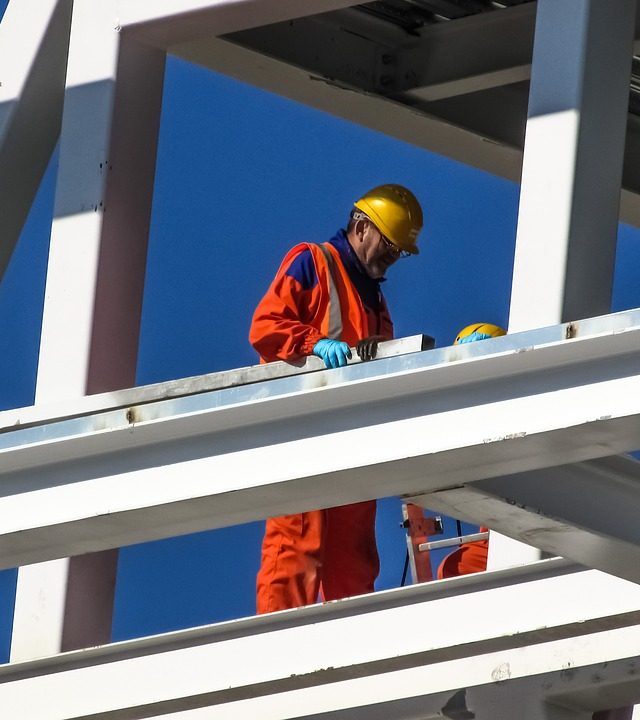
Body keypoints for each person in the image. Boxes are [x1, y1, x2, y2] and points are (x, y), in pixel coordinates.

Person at [249, 184, 424, 613]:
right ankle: (276, 647)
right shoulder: (313, 261)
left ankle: (350, 651)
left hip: (349, 440)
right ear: (362, 227)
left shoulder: (376, 300)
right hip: (301, 431)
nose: (392, 257)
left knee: (354, 562)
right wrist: (313, 345)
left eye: (399, 251)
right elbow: (266, 326)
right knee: (295, 546)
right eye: (389, 245)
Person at [436, 322, 506, 579]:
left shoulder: (523, 404)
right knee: (456, 569)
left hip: (556, 528)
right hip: (497, 534)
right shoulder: (466, 421)